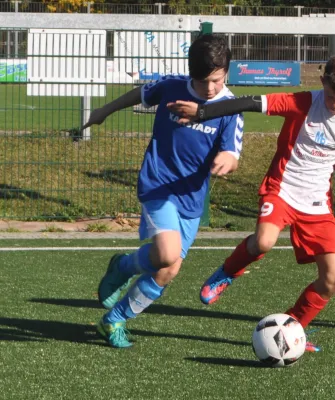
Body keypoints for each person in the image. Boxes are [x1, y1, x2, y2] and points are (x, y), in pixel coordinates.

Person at [167, 54, 335, 352]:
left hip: (317, 203)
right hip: (282, 190)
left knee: (334, 279)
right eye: (332, 95)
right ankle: (226, 273)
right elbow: (250, 102)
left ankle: (291, 329)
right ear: (323, 82)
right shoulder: (303, 102)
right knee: (263, 242)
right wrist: (204, 112)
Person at [82, 34, 244, 348]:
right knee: (167, 253)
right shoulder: (172, 86)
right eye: (201, 81)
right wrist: (105, 110)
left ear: (227, 70)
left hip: (191, 197)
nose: (208, 88)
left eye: (216, 80)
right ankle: (124, 270)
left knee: (169, 268)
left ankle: (114, 315)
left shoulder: (230, 107)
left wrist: (228, 159)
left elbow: (233, 151)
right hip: (158, 182)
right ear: (190, 72)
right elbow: (138, 94)